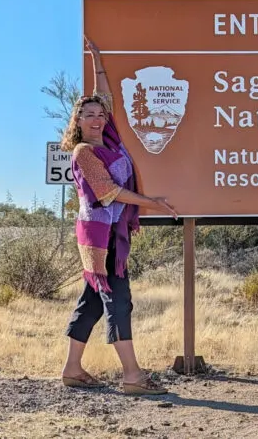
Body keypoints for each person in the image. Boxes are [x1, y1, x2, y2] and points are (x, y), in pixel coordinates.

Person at [60, 35, 178, 395]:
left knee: (92, 299)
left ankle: (72, 369)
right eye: (88, 115)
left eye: (99, 114)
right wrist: (152, 203)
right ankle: (132, 376)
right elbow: (109, 192)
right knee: (117, 297)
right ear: (77, 121)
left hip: (106, 232)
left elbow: (106, 99)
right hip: (101, 236)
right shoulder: (83, 153)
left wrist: (98, 62)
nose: (96, 119)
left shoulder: (109, 140)